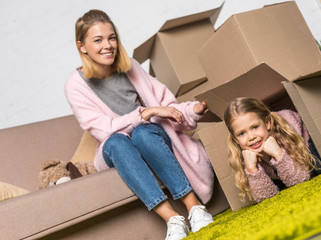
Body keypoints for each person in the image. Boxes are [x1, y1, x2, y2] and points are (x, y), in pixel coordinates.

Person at [65, 9, 214, 240]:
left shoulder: (129, 66)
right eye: (98, 40)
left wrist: (192, 110)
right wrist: (146, 113)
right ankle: (173, 220)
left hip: (149, 136)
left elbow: (166, 104)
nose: (108, 45)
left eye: (111, 37)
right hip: (117, 148)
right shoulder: (75, 86)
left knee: (143, 133)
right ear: (82, 46)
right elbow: (103, 130)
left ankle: (195, 209)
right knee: (116, 141)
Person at [223, 97, 321, 203]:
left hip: (300, 143)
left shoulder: (286, 136)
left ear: (267, 123)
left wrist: (278, 154)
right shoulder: (245, 156)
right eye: (242, 133)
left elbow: (301, 180)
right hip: (279, 172)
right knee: (280, 188)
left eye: (254, 127)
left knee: (319, 168)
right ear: (236, 139)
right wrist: (252, 169)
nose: (251, 137)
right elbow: (265, 199)